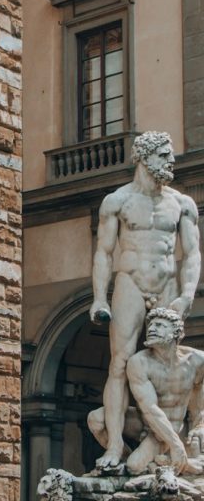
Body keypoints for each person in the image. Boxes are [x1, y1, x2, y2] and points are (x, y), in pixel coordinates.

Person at [89, 132, 201, 469]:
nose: (171, 161)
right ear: (144, 157)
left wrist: (186, 294)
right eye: (164, 155)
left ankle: (180, 440)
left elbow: (193, 253)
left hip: (166, 283)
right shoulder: (117, 201)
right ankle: (113, 447)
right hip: (130, 284)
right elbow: (104, 253)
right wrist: (98, 298)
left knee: (172, 360)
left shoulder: (182, 203)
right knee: (120, 364)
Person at [125, 308, 204, 475]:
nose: (152, 329)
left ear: (177, 333)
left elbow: (199, 391)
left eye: (159, 325)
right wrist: (176, 445)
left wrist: (200, 425)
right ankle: (123, 461)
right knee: (96, 419)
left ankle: (177, 464)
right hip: (146, 420)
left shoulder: (197, 360)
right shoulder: (139, 362)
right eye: (150, 325)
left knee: (134, 466)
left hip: (168, 427)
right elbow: (149, 408)